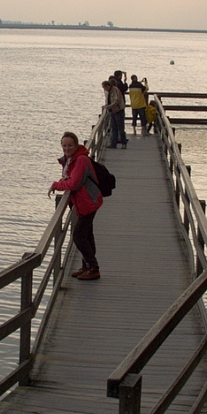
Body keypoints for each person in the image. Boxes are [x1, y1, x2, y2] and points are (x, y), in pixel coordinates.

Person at [49, 131, 103, 280]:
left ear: (76, 145)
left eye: (70, 145)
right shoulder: (70, 160)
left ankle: (94, 268)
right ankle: (86, 266)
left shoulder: (80, 160)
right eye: (64, 146)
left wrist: (56, 185)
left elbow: (74, 183)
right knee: (87, 235)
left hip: (88, 202)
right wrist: (62, 182)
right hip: (84, 202)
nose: (67, 148)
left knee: (79, 236)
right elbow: (71, 178)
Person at [103, 80, 126, 147]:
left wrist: (108, 106)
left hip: (118, 111)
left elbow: (116, 101)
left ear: (107, 86)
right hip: (112, 111)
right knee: (114, 128)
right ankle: (113, 144)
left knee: (120, 128)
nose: (104, 89)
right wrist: (107, 105)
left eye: (104, 87)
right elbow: (109, 100)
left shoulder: (115, 90)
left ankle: (123, 143)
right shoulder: (109, 91)